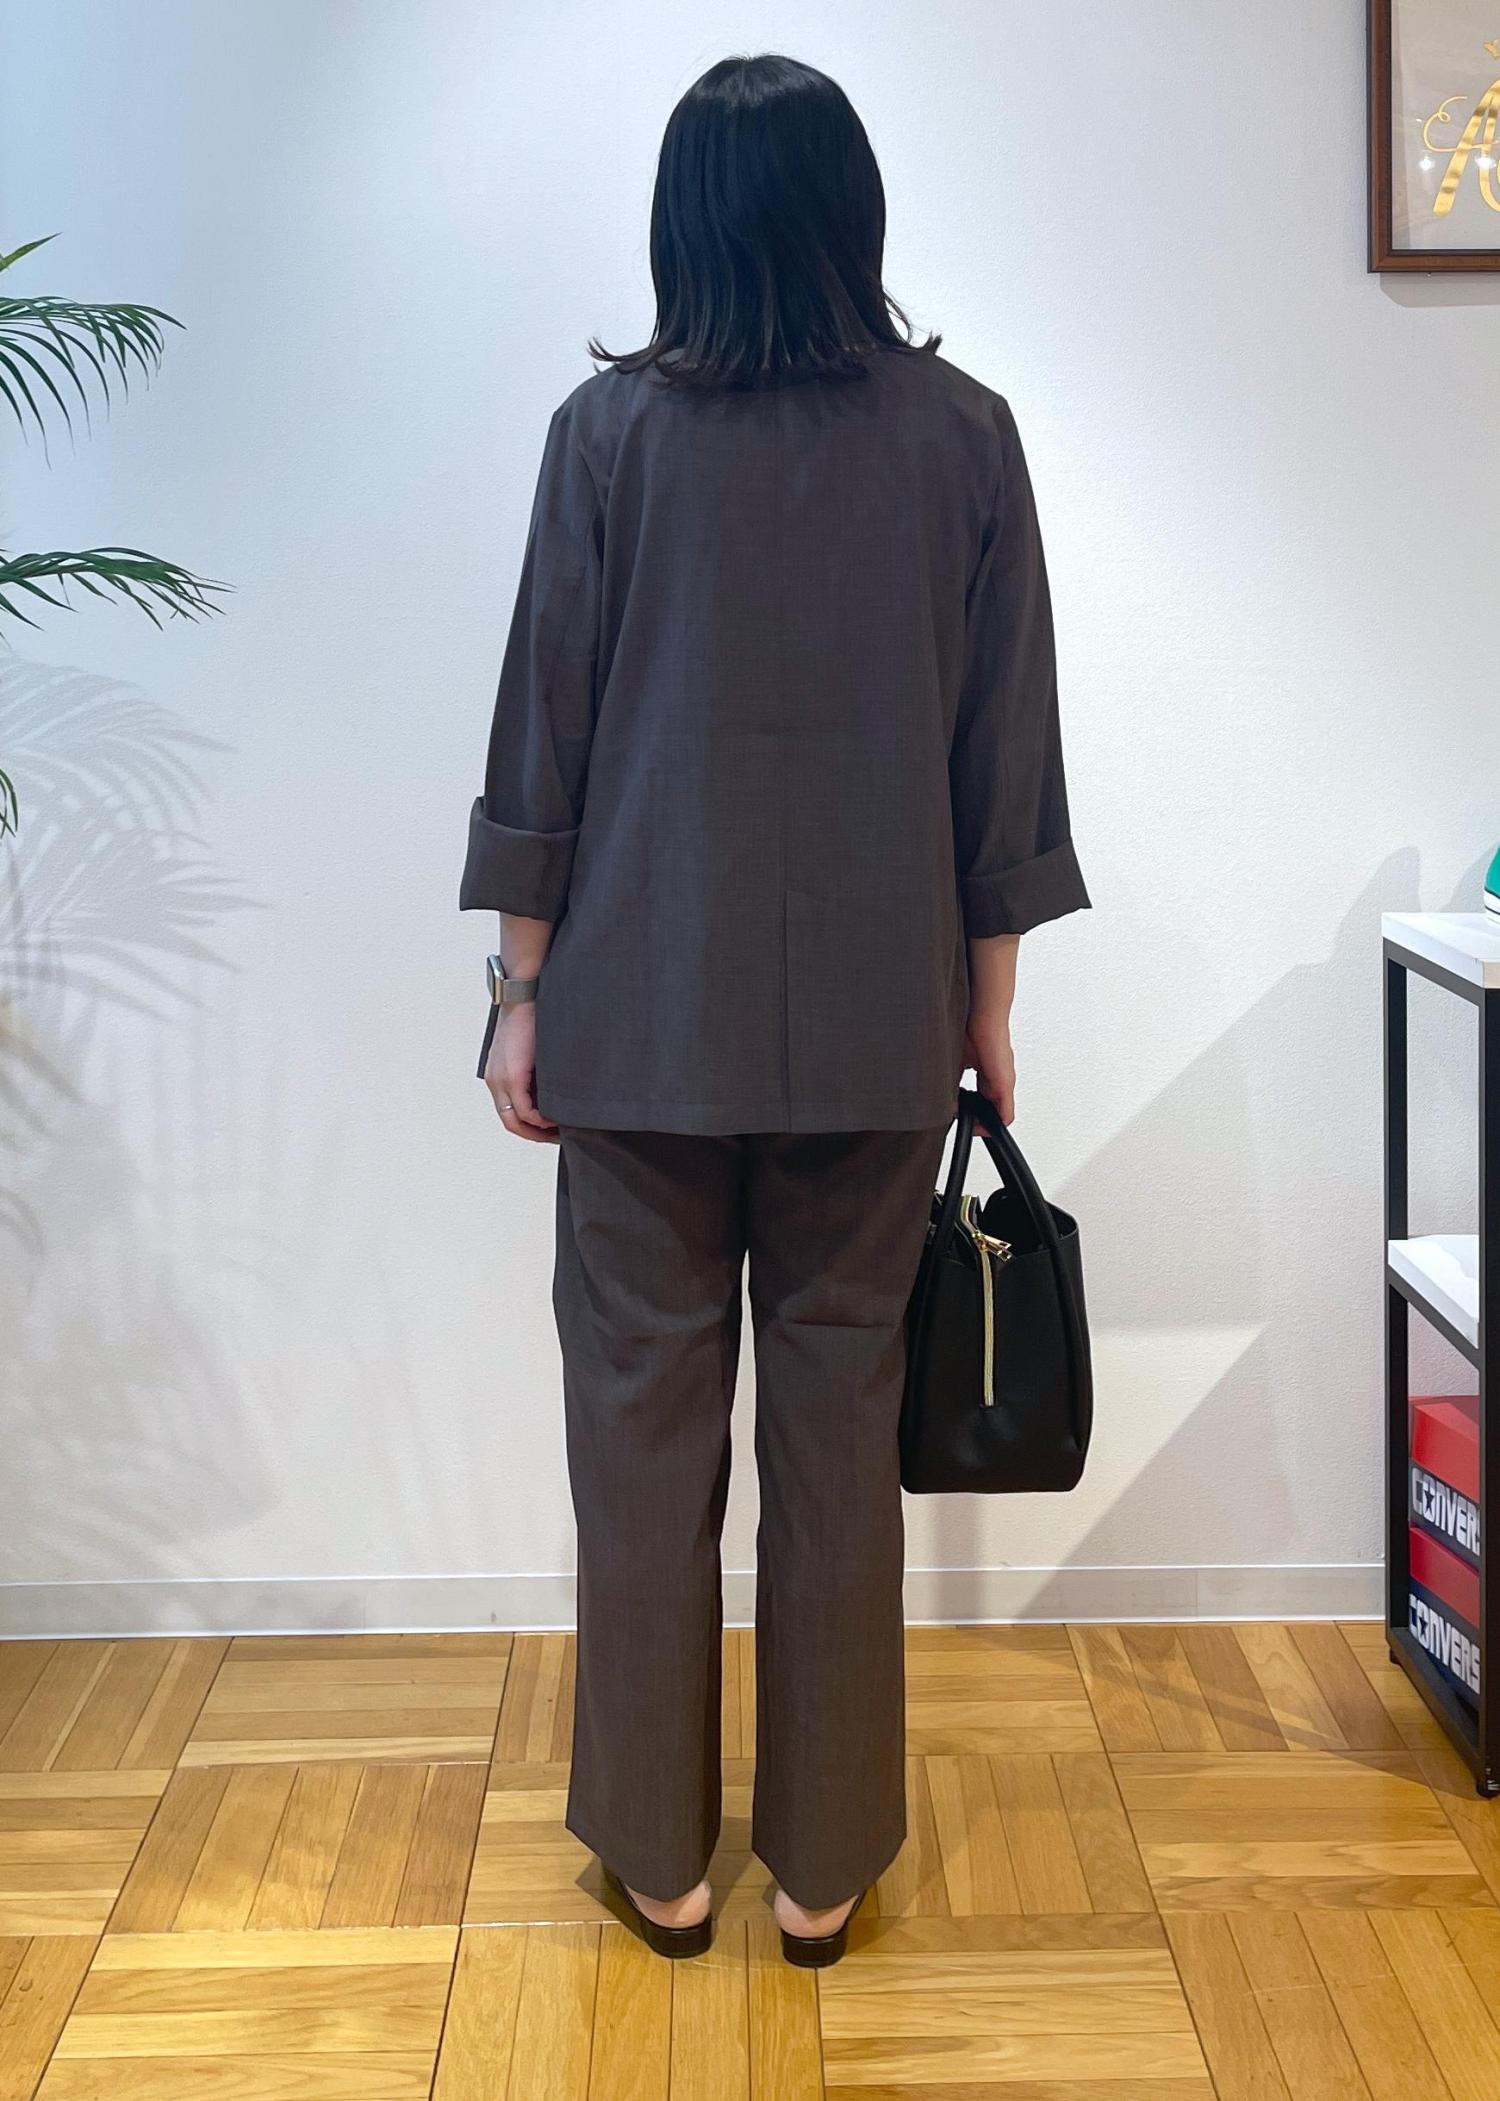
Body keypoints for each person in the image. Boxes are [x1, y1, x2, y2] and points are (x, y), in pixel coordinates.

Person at [460, 52, 1088, 1967]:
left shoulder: (605, 437)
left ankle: (660, 1856)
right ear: (852, 211)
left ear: (682, 223)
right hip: (880, 1029)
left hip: (637, 1024)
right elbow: (1005, 760)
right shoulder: (966, 436)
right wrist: (990, 1007)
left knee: (640, 1444)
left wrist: (518, 993)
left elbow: (546, 733)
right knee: (838, 1443)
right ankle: (820, 1870)